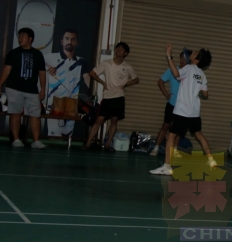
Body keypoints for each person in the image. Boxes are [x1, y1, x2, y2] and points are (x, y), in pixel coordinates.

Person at [150, 44, 217, 175]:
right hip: (194, 112)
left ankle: (167, 167)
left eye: (195, 53)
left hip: (182, 111)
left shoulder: (188, 68)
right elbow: (205, 94)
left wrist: (169, 56)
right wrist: (194, 89)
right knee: (198, 134)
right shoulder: (202, 74)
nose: (192, 53)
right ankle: (211, 160)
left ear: (197, 59)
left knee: (171, 135)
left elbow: (176, 73)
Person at [82, 42, 139, 151]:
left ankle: (108, 145)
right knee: (99, 119)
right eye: (117, 48)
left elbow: (136, 80)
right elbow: (92, 73)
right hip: (107, 96)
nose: (118, 50)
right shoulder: (106, 63)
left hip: (119, 96)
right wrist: (103, 83)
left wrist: (126, 84)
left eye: (121, 49)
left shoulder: (127, 67)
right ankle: (88, 143)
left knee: (114, 120)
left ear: (125, 53)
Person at [0, 27, 47, 149]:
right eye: (20, 36)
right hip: (14, 88)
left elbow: (42, 73)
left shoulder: (38, 54)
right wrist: (0, 84)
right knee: (15, 113)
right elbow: (6, 70)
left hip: (32, 89)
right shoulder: (13, 53)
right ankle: (16, 139)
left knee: (35, 115)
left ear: (30, 39)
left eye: (23, 36)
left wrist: (43, 89)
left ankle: (36, 141)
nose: (20, 38)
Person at [44, 28, 91, 137]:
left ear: (77, 43)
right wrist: (48, 67)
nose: (70, 41)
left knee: (67, 135)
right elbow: (37, 61)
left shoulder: (81, 61)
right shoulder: (50, 57)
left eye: (73, 39)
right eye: (67, 39)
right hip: (54, 101)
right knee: (54, 135)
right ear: (62, 41)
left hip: (71, 102)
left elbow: (87, 78)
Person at [149, 51, 186, 157]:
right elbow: (160, 81)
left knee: (178, 130)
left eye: (185, 59)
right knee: (165, 126)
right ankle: (156, 148)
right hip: (171, 104)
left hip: (183, 107)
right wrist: (166, 94)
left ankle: (174, 151)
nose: (182, 60)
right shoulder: (172, 70)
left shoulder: (189, 73)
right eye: (181, 58)